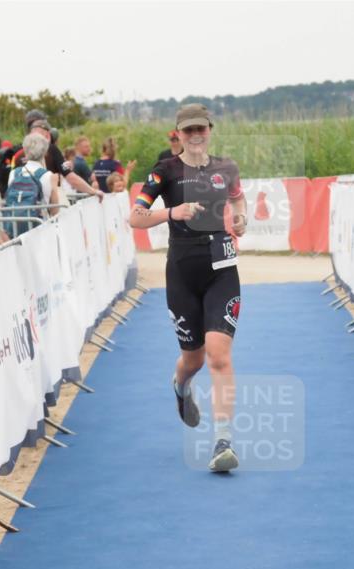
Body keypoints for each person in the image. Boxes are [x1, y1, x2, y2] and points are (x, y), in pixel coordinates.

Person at [128, 103, 247, 473]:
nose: (196, 135)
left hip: (222, 270)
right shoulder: (165, 170)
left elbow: (237, 196)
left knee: (218, 354)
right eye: (188, 130)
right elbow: (134, 216)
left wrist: (240, 216)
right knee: (193, 359)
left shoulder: (225, 167)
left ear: (210, 130)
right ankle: (181, 386)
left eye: (201, 129)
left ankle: (223, 441)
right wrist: (171, 213)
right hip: (181, 272)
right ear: (178, 134)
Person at [23, 109, 102, 199]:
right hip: (50, 201)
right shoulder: (51, 149)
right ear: (47, 133)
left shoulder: (19, 151)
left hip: (25, 204)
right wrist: (93, 191)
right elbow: (70, 177)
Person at [5, 132, 59, 236]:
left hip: (14, 230)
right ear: (45, 152)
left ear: (25, 151)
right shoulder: (49, 176)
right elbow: (54, 210)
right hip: (39, 231)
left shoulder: (14, 173)